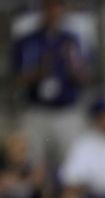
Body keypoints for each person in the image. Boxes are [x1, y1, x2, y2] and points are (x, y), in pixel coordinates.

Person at [11, 0, 90, 166]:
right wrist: (38, 72)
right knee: (34, 162)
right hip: (37, 110)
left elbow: (85, 77)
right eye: (48, 7)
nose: (53, 11)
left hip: (66, 111)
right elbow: (16, 78)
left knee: (70, 162)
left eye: (57, 6)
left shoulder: (72, 39)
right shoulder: (27, 40)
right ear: (41, 9)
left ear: (63, 10)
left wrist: (71, 64)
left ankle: (65, 193)